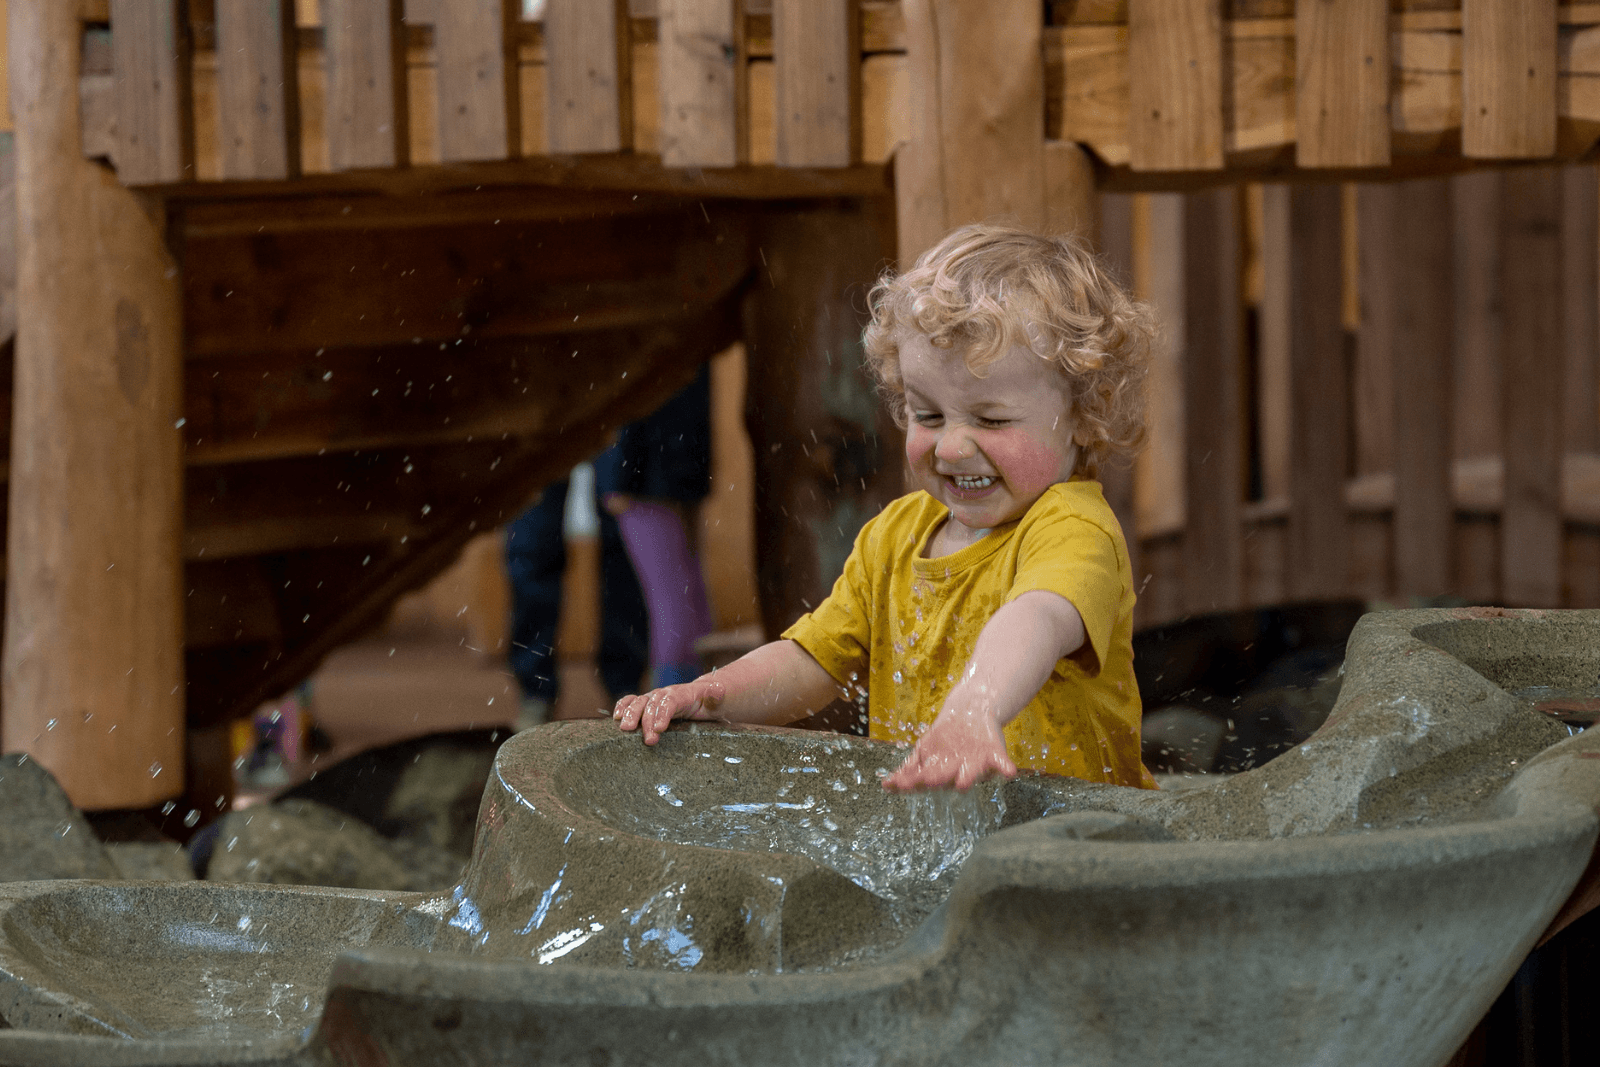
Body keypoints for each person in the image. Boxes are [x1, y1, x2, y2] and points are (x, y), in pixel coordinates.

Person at [613, 224, 1158, 793]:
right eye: (928, 416)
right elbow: (811, 662)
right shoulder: (895, 536)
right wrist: (710, 694)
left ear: (1083, 415)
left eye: (991, 420)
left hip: (1077, 845)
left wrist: (977, 709)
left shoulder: (1072, 528)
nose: (951, 447)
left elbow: (1037, 619)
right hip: (935, 835)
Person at [507, 366, 714, 729]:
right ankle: (536, 691)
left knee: (627, 555)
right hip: (543, 376)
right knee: (533, 544)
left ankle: (624, 690)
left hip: (621, 382)